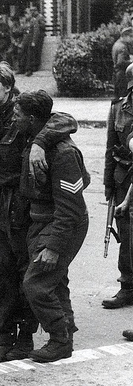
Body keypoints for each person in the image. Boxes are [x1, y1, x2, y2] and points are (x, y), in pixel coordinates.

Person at [0, 63, 78, 365]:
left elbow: (64, 119)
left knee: (28, 275)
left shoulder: (26, 113)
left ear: (8, 87)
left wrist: (39, 143)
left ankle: (29, 337)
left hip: (24, 209)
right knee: (3, 273)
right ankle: (3, 340)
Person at [15, 90, 90, 363]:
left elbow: (70, 209)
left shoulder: (63, 153)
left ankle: (59, 341)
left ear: (33, 118)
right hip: (42, 220)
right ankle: (66, 327)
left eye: (18, 114)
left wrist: (54, 248)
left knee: (35, 283)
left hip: (63, 224)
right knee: (53, 281)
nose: (14, 118)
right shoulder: (35, 138)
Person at [102, 62, 133, 309]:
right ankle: (127, 287)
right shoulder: (118, 109)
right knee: (126, 235)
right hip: (124, 178)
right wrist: (108, 184)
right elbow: (110, 147)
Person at [112, 28, 133, 100]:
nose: (132, 39)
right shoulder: (122, 47)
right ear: (126, 36)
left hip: (117, 75)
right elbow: (121, 62)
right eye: (131, 37)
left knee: (118, 99)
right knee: (124, 98)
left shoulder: (117, 44)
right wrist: (131, 62)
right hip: (122, 75)